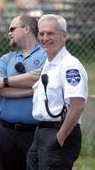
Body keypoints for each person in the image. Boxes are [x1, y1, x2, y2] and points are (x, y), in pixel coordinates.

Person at [27, 14, 88, 170]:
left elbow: (78, 105)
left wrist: (60, 137)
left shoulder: (69, 66)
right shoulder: (49, 63)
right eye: (41, 33)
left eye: (50, 33)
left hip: (59, 132)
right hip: (41, 132)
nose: (45, 38)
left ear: (64, 35)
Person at [0, 15, 47, 170]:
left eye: (12, 29)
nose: (9, 33)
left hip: (35, 133)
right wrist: (32, 90)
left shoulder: (46, 55)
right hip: (5, 133)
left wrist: (6, 81)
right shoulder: (6, 58)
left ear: (26, 29)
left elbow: (42, 77)